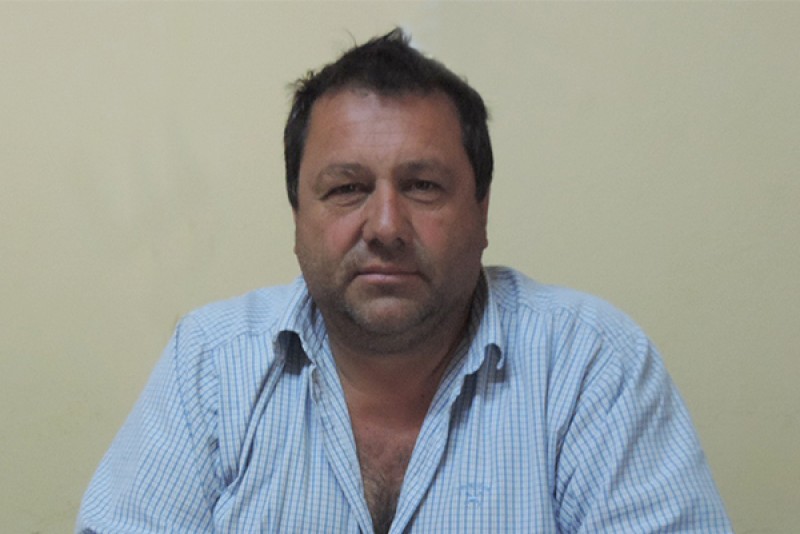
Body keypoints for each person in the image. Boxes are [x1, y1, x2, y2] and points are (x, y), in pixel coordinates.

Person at [77, 29, 732, 533]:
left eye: (422, 186)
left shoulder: (593, 366)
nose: (386, 226)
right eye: (347, 188)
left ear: (481, 211)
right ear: (297, 216)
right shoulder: (211, 364)